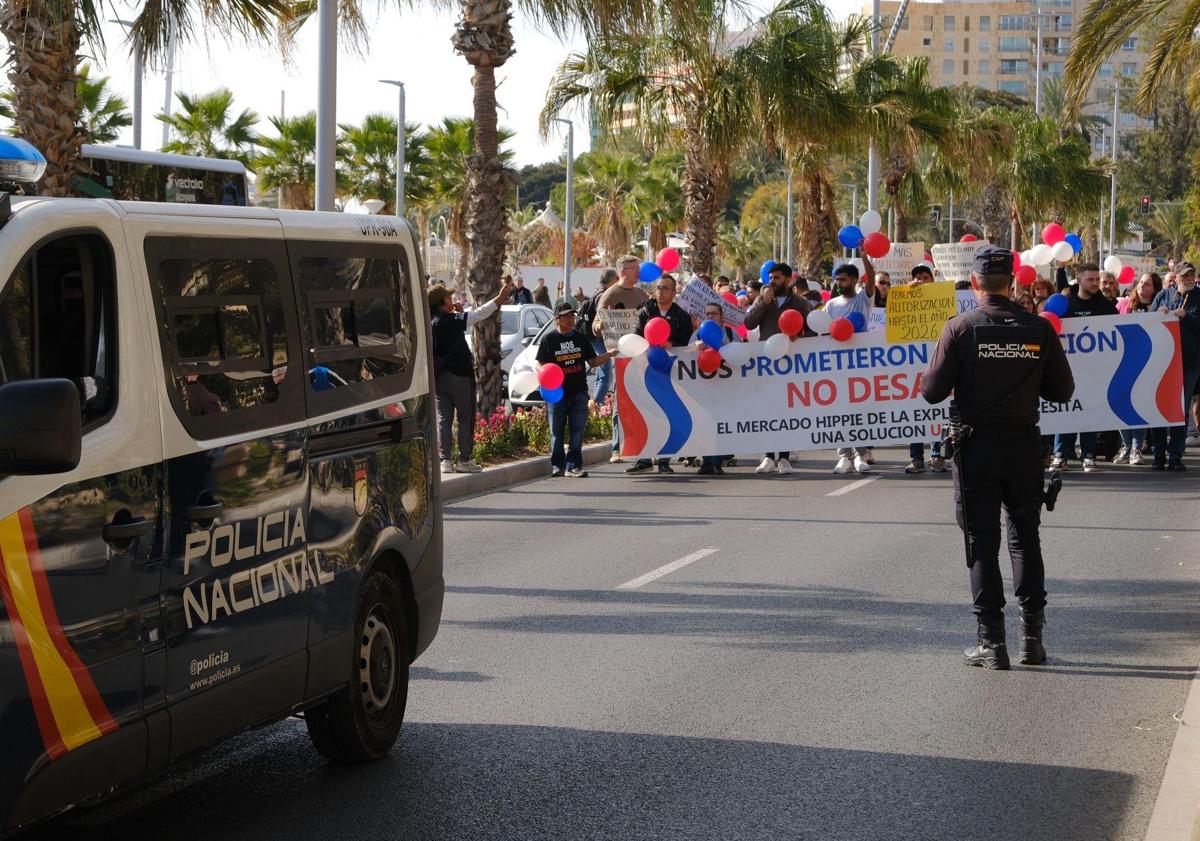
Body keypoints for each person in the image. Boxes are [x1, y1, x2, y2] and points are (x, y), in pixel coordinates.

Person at [921, 245, 1075, 670]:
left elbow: (932, 390)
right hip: (1023, 447)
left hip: (976, 449)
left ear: (974, 284)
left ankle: (992, 643)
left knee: (981, 544)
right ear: (1012, 283)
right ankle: (1032, 641)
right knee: (1025, 540)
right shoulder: (1039, 329)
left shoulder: (960, 328)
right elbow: (1062, 392)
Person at [429, 278, 513, 474]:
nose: (452, 299)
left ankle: (445, 461)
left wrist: (456, 312)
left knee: (444, 419)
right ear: (442, 303)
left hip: (439, 377)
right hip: (460, 375)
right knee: (466, 417)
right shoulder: (451, 320)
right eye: (448, 297)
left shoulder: (429, 322)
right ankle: (464, 459)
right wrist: (499, 299)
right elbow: (477, 315)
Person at [537, 303, 618, 478]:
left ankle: (573, 465)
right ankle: (557, 465)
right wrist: (544, 374)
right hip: (557, 393)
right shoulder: (548, 340)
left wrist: (610, 354)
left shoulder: (580, 338)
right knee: (556, 432)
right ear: (557, 319)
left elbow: (593, 361)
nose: (571, 319)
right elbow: (541, 364)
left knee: (577, 431)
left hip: (579, 392)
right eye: (567, 316)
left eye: (572, 316)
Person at [745, 262, 812, 475]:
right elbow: (749, 323)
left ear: (788, 279)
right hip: (767, 363)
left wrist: (799, 336)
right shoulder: (762, 299)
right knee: (767, 409)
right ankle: (767, 456)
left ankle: (783, 457)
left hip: (790, 363)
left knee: (785, 410)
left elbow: (810, 331)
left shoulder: (800, 303)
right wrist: (763, 303)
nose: (772, 281)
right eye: (770, 277)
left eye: (777, 278)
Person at [1049, 263, 1117, 473]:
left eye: (1097, 279)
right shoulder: (1066, 304)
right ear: (1078, 280)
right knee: (1065, 409)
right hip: (1066, 370)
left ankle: (1089, 456)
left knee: (1089, 411)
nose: (1095, 283)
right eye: (1090, 279)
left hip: (1095, 372)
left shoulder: (1107, 307)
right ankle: (1060, 455)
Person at [627, 274, 693, 475]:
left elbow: (686, 345)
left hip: (670, 372)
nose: (661, 291)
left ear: (674, 293)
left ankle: (664, 460)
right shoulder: (646, 310)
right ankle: (644, 459)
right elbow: (636, 335)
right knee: (645, 412)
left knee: (668, 415)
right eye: (658, 288)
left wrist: (671, 345)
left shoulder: (682, 316)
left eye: (665, 288)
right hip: (645, 370)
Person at [594, 255, 648, 464]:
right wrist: (601, 326)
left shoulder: (641, 294)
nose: (638, 272)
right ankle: (617, 448)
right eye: (635, 269)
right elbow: (596, 325)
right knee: (621, 403)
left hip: (643, 356)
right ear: (624, 272)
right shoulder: (610, 295)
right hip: (621, 358)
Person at [825, 259, 877, 473]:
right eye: (837, 279)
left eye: (843, 279)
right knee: (840, 410)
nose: (839, 283)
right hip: (837, 365)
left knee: (859, 410)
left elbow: (872, 279)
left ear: (855, 280)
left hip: (860, 363)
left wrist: (865, 257)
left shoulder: (864, 299)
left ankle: (861, 454)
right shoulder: (831, 305)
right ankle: (844, 455)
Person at [1150, 261, 1200, 470]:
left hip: (1188, 362)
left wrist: (1186, 316)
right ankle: (1159, 454)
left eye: (1191, 274)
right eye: (1184, 275)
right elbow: (1148, 321)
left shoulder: (1199, 296)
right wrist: (1158, 313)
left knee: (1180, 408)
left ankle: (1176, 456)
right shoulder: (1164, 295)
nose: (1188, 278)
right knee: (1159, 406)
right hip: (1162, 361)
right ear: (1176, 277)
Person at [1113, 272, 1161, 465]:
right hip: (1122, 362)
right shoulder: (1124, 305)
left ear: (1155, 288)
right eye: (1141, 282)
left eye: (1147, 284)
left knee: (1140, 406)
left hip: (1147, 364)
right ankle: (1126, 446)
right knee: (1119, 404)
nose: (1142, 286)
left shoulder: (1157, 309)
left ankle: (1136, 448)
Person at [690, 302, 741, 475]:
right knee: (706, 423)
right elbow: (685, 352)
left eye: (714, 314)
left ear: (722, 317)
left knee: (722, 423)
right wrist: (696, 345)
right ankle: (706, 462)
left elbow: (740, 350)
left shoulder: (729, 333)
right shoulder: (698, 333)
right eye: (707, 314)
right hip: (704, 386)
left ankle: (718, 461)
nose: (710, 317)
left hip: (726, 386)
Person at [905, 263, 947, 474]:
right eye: (917, 277)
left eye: (925, 276)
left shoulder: (943, 300)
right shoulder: (905, 299)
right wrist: (906, 293)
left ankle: (936, 455)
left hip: (937, 362)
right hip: (912, 366)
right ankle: (916, 458)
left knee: (937, 409)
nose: (921, 280)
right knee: (916, 412)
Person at [578, 268, 618, 407]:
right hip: (598, 339)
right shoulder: (605, 296)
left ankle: (594, 404)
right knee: (607, 376)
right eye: (617, 279)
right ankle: (596, 407)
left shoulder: (597, 293)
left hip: (594, 339)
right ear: (612, 280)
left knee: (602, 375)